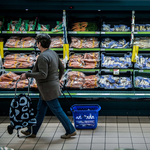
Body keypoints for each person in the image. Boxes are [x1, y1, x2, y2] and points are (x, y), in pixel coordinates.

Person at [20, 33, 76, 139]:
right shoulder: (53, 53)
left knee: (57, 110)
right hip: (47, 88)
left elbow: (43, 74)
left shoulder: (42, 57)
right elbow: (62, 68)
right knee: (40, 110)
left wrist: (27, 75)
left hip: (47, 89)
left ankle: (70, 130)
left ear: (39, 44)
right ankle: (32, 131)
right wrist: (58, 79)